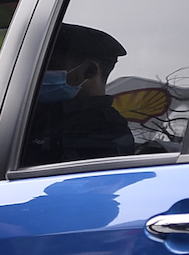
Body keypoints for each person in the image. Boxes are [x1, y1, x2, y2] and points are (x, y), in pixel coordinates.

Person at [21, 23, 135, 165]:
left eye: (50, 66)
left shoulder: (105, 131)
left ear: (89, 71)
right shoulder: (29, 114)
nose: (38, 75)